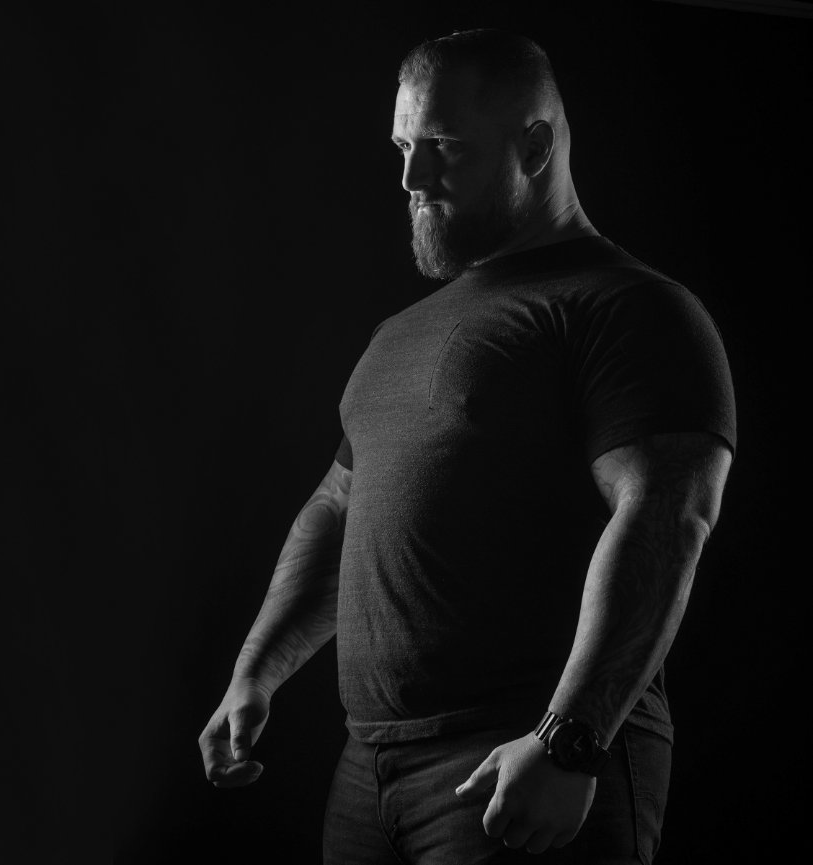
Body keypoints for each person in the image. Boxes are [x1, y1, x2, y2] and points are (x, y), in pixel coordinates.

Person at [198, 28, 736, 864]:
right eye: (402, 147)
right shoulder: (398, 333)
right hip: (369, 769)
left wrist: (568, 740)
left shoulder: (626, 308)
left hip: (521, 754)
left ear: (535, 147)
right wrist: (255, 670)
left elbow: (667, 516)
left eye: (443, 146)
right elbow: (339, 507)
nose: (411, 178)